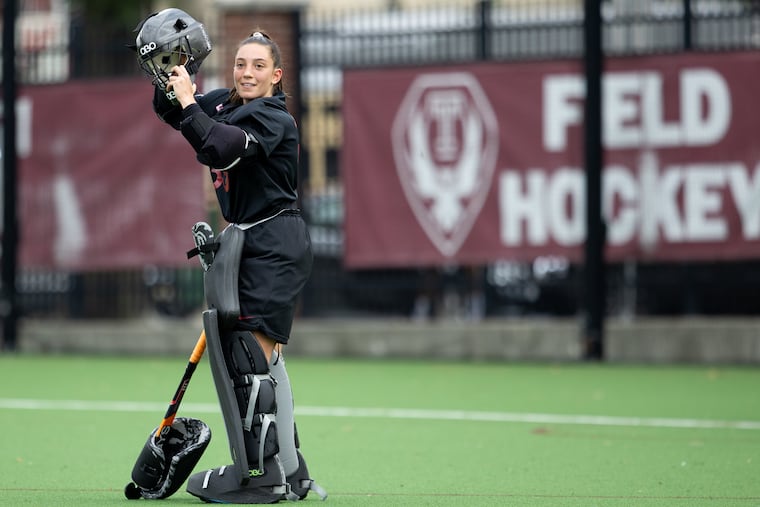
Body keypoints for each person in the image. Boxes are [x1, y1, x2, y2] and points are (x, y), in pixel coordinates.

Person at [134, 8, 325, 504]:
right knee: (263, 361)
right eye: (241, 63)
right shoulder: (224, 103)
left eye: (258, 65)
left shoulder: (273, 117)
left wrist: (188, 100)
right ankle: (290, 470)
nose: (247, 72)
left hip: (273, 242)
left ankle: (257, 478)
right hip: (247, 242)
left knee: (247, 361)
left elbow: (217, 147)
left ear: (276, 74)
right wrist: (173, 70)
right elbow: (174, 111)